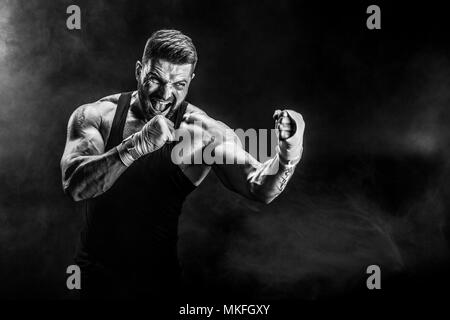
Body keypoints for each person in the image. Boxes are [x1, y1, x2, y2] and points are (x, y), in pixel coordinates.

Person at [60, 29, 305, 299]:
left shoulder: (203, 132)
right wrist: (136, 145)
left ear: (191, 80)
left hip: (157, 284)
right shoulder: (97, 116)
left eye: (179, 84)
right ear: (140, 71)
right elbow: (76, 186)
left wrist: (287, 152)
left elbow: (258, 187)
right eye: (156, 79)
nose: (165, 94)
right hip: (91, 280)